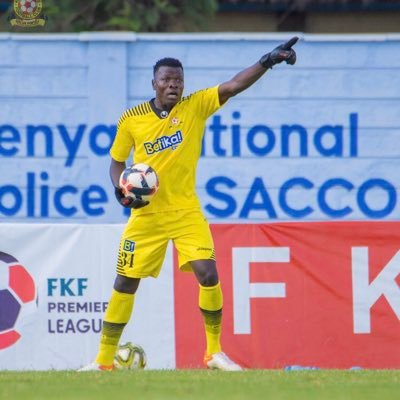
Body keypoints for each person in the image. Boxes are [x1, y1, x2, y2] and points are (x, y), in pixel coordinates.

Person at [79, 37, 298, 372]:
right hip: (146, 215)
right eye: (166, 80)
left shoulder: (194, 106)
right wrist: (119, 190)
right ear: (154, 83)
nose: (173, 85)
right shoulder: (132, 119)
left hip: (186, 212)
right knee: (124, 282)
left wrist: (266, 61)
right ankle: (104, 362)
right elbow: (116, 162)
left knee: (208, 273)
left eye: (178, 80)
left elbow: (233, 86)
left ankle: (214, 354)